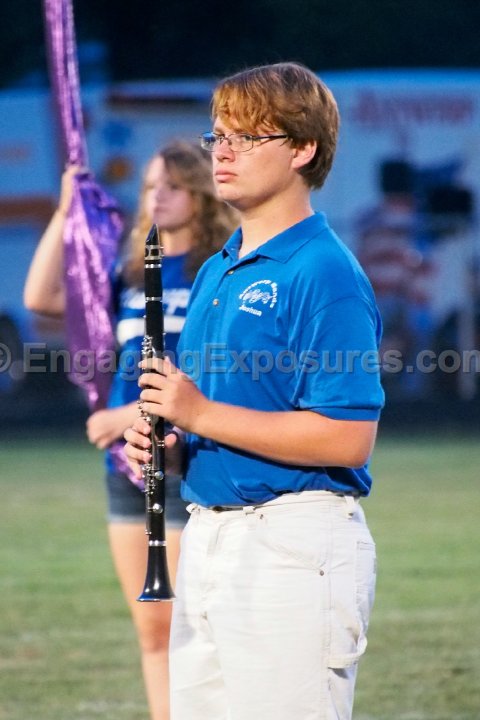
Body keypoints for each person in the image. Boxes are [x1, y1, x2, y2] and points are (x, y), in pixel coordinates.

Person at [124, 63, 385, 720]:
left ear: (303, 149)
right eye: (218, 136)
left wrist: (198, 411)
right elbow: (223, 415)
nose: (223, 152)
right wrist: (171, 448)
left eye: (247, 136)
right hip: (208, 536)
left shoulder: (324, 271)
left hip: (293, 544)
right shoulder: (218, 269)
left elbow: (347, 437)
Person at [23, 140, 237, 720]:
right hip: (126, 467)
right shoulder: (130, 272)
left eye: (172, 186)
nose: (156, 197)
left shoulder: (219, 270)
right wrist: (66, 211)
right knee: (152, 630)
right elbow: (40, 296)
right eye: (149, 187)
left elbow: (213, 369)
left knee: (198, 625)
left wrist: (123, 417)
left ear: (201, 194)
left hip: (190, 459)